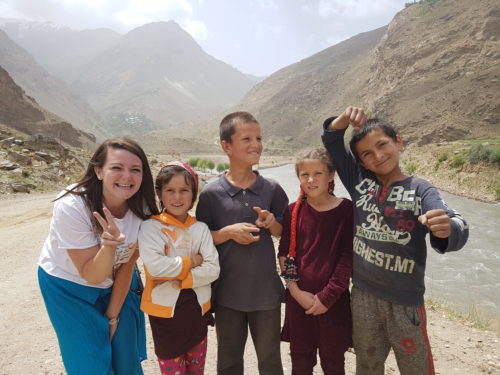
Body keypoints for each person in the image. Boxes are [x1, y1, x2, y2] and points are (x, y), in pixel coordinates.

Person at [322, 107, 469, 375]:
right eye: (367, 154)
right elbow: (332, 138)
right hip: (363, 295)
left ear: (398, 142)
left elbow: (455, 222)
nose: (377, 156)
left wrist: (446, 229)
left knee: (415, 368)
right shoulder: (358, 181)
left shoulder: (420, 189)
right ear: (362, 163)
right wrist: (343, 119)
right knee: (367, 365)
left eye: (382, 145)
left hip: (406, 301)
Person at [38, 137, 159, 375]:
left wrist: (112, 318)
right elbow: (92, 275)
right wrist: (108, 246)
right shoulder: (72, 206)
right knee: (90, 363)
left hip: (119, 280)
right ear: (99, 171)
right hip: (69, 286)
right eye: (116, 168)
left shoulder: (143, 209)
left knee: (126, 359)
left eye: (136, 169)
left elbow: (128, 266)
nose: (127, 177)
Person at [196, 111, 289, 375]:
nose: (256, 144)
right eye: (246, 138)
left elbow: (283, 233)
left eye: (258, 138)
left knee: (271, 362)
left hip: (266, 294)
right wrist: (227, 232)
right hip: (227, 294)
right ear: (226, 146)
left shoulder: (272, 189)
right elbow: (201, 240)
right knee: (228, 362)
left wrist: (271, 222)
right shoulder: (211, 193)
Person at [138, 161, 220, 375]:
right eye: (170, 190)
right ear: (159, 193)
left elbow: (213, 269)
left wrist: (181, 280)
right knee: (172, 369)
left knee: (196, 370)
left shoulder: (200, 229)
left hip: (196, 313)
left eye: (184, 190)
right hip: (165, 318)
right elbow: (155, 268)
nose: (177, 197)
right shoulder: (150, 228)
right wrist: (191, 262)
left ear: (194, 193)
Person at [278, 147, 353, 375]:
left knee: (333, 365)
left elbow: (347, 258)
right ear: (298, 177)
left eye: (318, 173)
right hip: (298, 304)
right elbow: (284, 254)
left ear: (331, 175)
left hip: (333, 305)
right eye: (304, 174)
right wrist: (295, 291)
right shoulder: (293, 211)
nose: (311, 180)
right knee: (300, 365)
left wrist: (327, 297)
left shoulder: (346, 210)